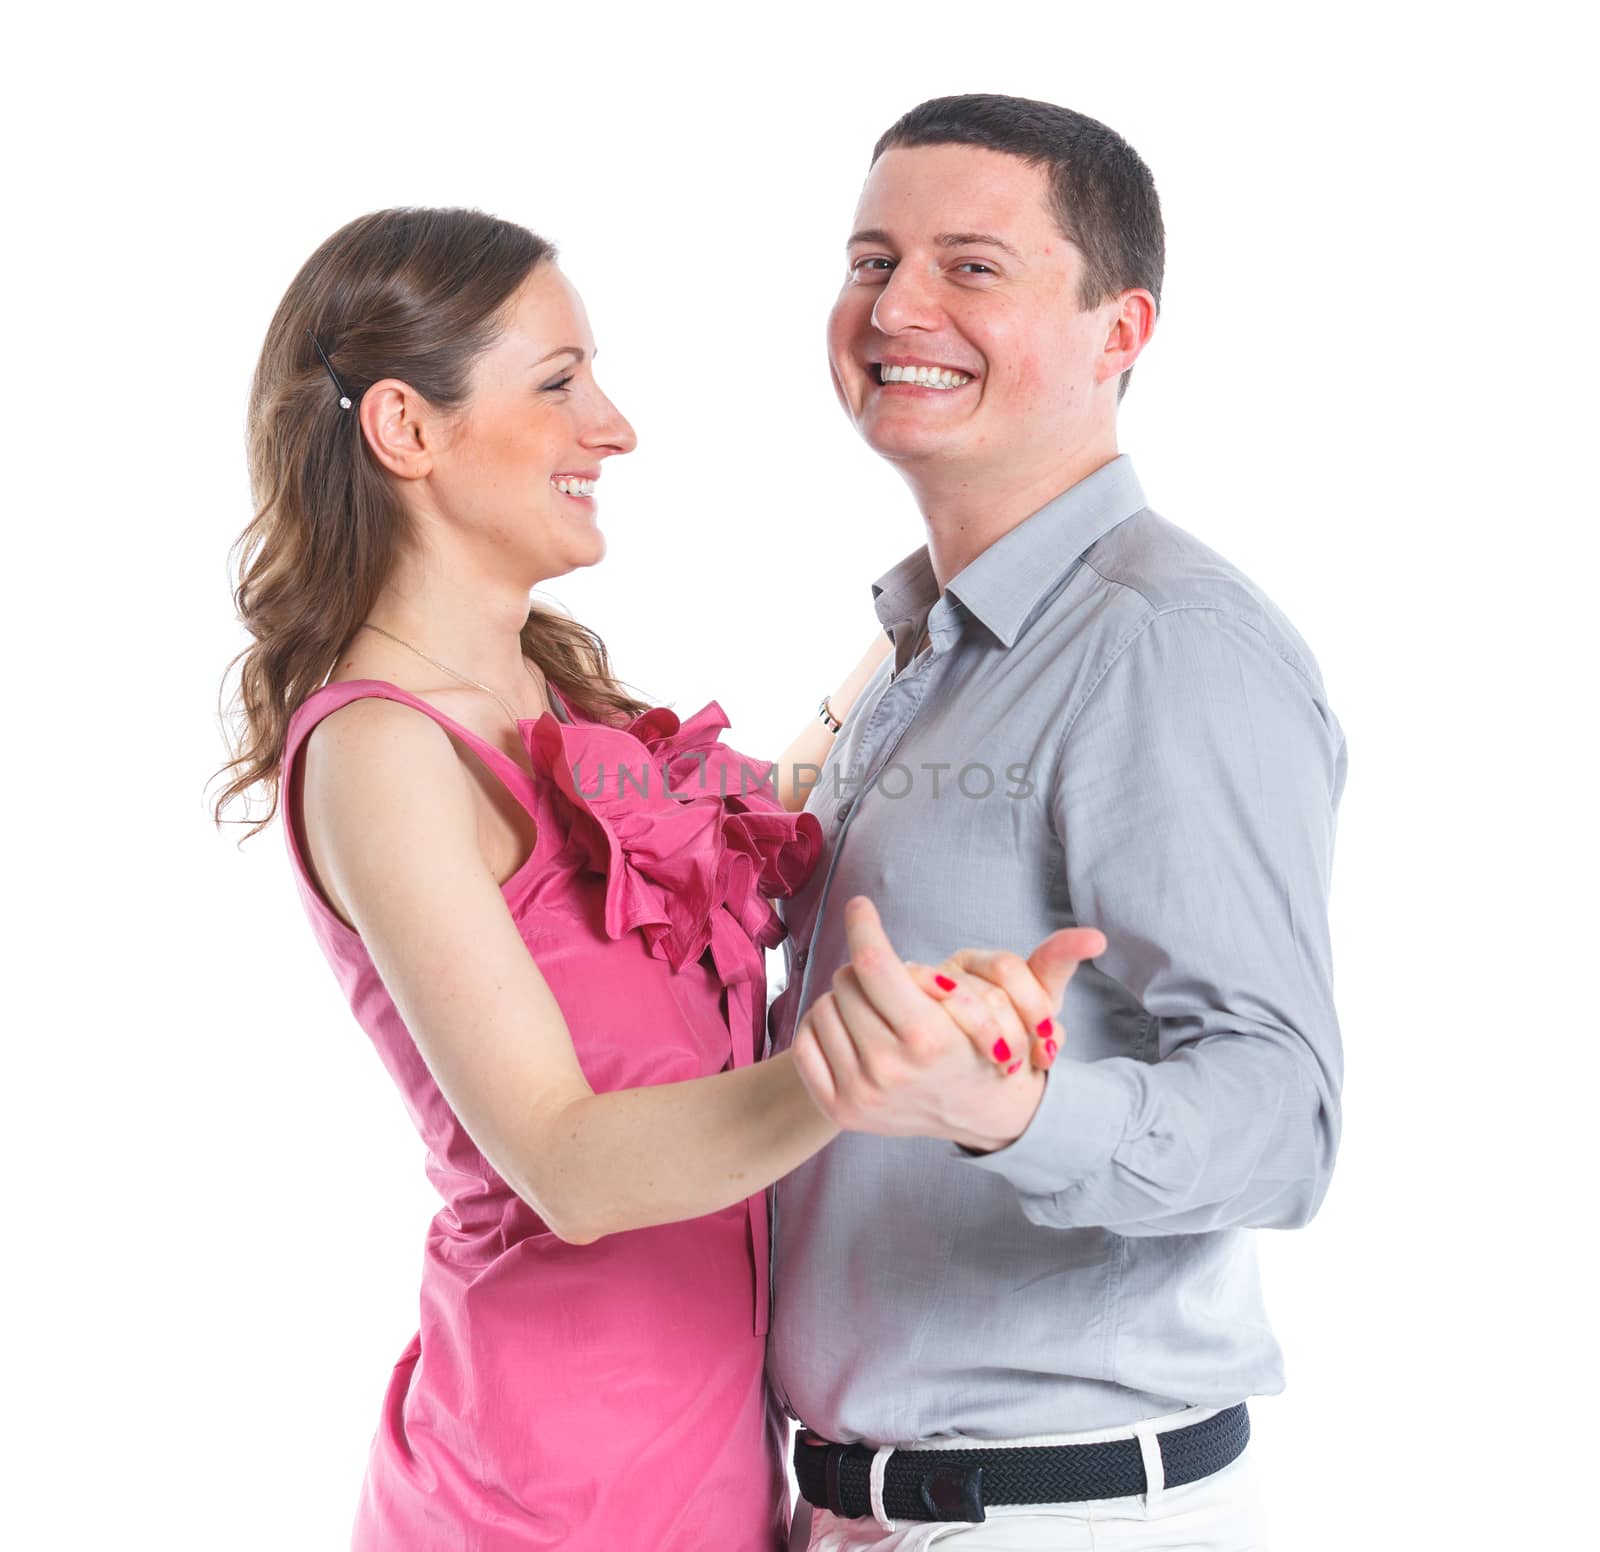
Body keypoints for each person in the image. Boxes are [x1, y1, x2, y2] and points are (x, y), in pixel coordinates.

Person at [210, 205, 1098, 1551]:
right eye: (560, 382)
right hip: (548, 1498)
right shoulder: (382, 752)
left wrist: (939, 607)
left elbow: (779, 812)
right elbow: (570, 1163)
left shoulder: (555, 693)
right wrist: (855, 1066)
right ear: (407, 429)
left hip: (715, 1469)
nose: (612, 427)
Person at [770, 95, 1348, 1550]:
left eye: (972, 266)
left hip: (1056, 1510)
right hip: (861, 1507)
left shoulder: (1167, 644)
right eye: (870, 258)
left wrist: (1012, 1108)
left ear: (1119, 332)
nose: (896, 304)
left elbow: (1286, 1121)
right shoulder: (924, 648)